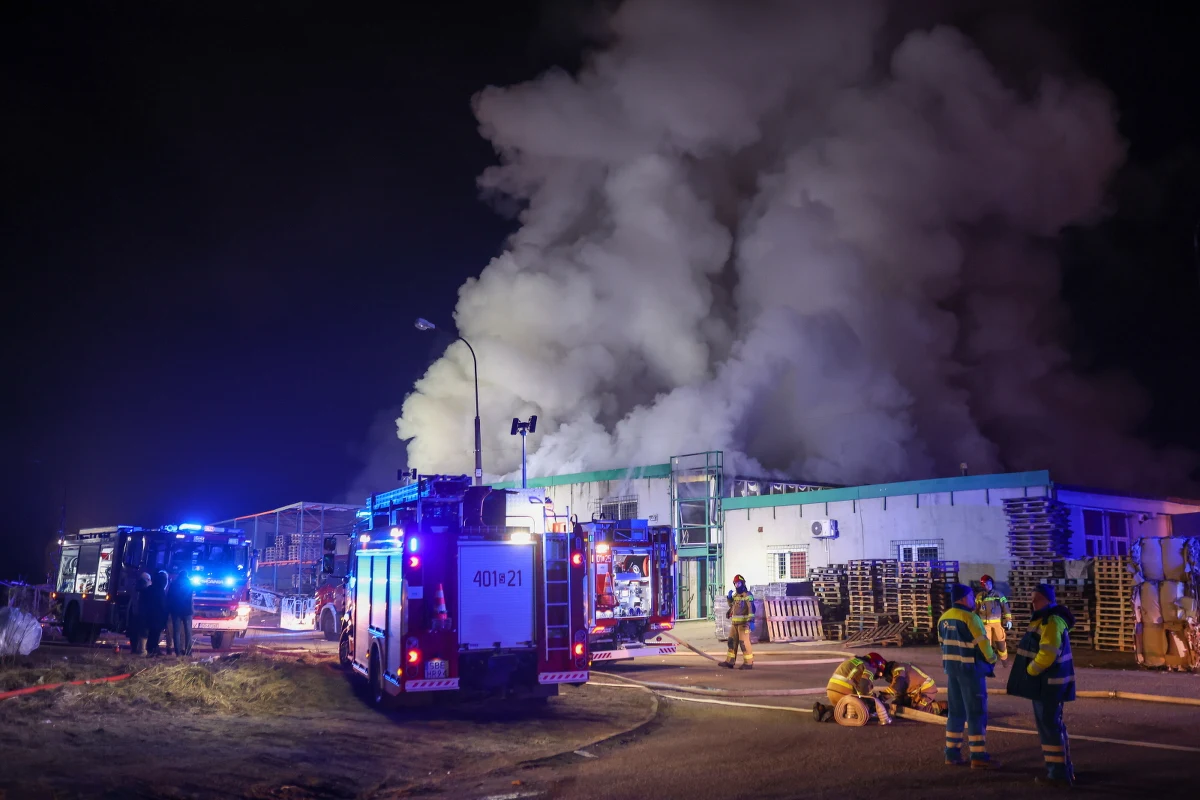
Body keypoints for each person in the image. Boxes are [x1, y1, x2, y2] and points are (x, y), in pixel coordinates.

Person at [1006, 583, 1076, 788]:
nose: (1032, 603)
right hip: (1048, 684)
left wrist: (1031, 671)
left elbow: (1047, 654)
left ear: (1047, 600)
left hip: (1047, 685)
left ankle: (1058, 774)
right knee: (1053, 726)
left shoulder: (1050, 621)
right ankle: (1063, 769)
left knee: (1049, 728)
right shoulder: (1045, 619)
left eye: (1036, 599)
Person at [937, 582, 998, 768]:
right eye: (971, 596)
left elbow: (942, 644)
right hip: (971, 672)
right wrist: (992, 659)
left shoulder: (943, 618)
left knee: (955, 712)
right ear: (964, 598)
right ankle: (978, 755)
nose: (973, 600)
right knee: (976, 712)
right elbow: (983, 644)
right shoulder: (970, 618)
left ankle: (951, 753)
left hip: (952, 671)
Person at [815, 652, 891, 725]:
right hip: (843, 692)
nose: (877, 676)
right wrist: (872, 701)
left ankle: (823, 709)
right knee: (864, 710)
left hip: (831, 691)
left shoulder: (853, 661)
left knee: (845, 706)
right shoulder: (870, 667)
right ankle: (834, 712)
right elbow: (864, 686)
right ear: (877, 665)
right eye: (878, 673)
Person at [720, 574, 755, 670]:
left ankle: (748, 663)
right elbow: (732, 606)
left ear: (743, 583)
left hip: (744, 624)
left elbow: (751, 608)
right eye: (735, 584)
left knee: (744, 643)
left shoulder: (748, 595)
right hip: (734, 624)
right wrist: (729, 598)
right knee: (731, 642)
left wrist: (751, 621)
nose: (737, 585)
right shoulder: (736, 595)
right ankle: (729, 662)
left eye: (738, 583)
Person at [977, 574, 1013, 664]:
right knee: (986, 645)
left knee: (1001, 643)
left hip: (997, 624)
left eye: (989, 583)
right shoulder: (979, 596)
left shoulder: (999, 595)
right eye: (985, 584)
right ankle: (988, 663)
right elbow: (975, 610)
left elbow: (1006, 608)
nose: (988, 585)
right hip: (984, 625)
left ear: (992, 583)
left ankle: (1004, 660)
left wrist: (1008, 620)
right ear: (982, 585)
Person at [167, 567, 195, 657]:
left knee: (176, 632)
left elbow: (169, 597)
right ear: (186, 576)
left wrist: (170, 609)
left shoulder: (174, 584)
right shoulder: (190, 584)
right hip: (187, 611)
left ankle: (178, 652)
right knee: (188, 632)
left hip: (176, 610)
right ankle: (188, 652)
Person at [143, 570, 169, 657]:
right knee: (155, 634)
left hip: (150, 614)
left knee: (152, 633)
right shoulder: (160, 590)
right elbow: (163, 604)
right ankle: (153, 650)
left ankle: (152, 649)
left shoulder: (150, 588)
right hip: (158, 616)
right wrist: (165, 614)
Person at [127, 572, 151, 655]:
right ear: (147, 579)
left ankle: (134, 649)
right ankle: (142, 649)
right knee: (143, 632)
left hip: (134, 612)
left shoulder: (135, 586)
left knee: (134, 632)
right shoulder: (147, 588)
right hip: (143, 613)